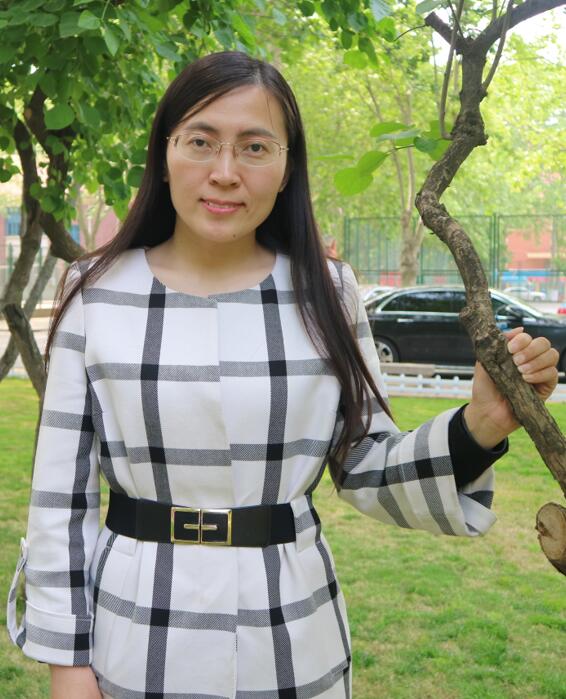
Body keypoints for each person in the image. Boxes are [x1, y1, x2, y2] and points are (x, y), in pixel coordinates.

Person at [6, 51, 558, 699]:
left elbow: (367, 466)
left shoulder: (328, 292)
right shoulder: (95, 292)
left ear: (287, 165)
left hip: (293, 635)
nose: (225, 172)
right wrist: (68, 664)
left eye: (255, 147)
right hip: (132, 634)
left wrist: (481, 425)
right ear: (164, 153)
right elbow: (60, 500)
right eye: (201, 141)